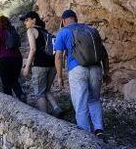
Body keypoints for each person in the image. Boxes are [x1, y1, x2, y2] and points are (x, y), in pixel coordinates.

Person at [54, 9, 111, 138]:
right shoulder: (91, 30)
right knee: (94, 99)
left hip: (77, 69)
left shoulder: (63, 32)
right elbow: (104, 53)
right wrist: (106, 72)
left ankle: (86, 135)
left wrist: (59, 76)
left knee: (80, 102)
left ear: (63, 21)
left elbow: (58, 57)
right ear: (76, 18)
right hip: (96, 68)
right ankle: (99, 128)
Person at [20, 11, 63, 117]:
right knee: (46, 89)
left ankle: (45, 118)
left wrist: (27, 67)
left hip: (40, 66)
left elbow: (33, 49)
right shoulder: (46, 31)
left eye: (27, 20)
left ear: (34, 20)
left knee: (39, 93)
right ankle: (57, 108)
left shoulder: (31, 30)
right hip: (52, 65)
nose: (25, 23)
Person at [0, 13, 26, 101]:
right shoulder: (12, 29)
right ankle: (21, 95)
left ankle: (9, 103)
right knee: (14, 80)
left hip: (5, 59)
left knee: (6, 83)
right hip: (18, 58)